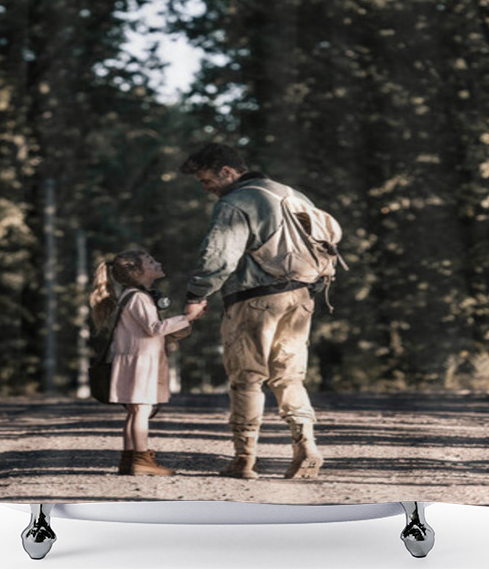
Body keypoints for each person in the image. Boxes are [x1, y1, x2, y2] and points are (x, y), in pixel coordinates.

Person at [180, 143, 324, 480]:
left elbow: (218, 256)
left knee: (246, 378)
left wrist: (196, 294)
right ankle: (306, 448)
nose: (205, 188)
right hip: (300, 298)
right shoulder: (292, 195)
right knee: (289, 375)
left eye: (206, 180)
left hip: (253, 300)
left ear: (228, 172)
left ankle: (244, 459)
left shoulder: (235, 202)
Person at [90, 249, 207, 476]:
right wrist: (188, 318)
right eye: (151, 261)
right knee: (142, 410)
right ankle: (142, 460)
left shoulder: (131, 295)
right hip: (140, 364)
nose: (158, 262)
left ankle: (129, 459)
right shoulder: (139, 298)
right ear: (136, 272)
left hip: (134, 360)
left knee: (135, 412)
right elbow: (154, 329)